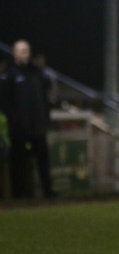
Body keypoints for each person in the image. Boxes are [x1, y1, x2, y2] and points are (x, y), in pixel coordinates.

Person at [0, 39, 56, 199]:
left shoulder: (37, 73)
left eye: (27, 51)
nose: (25, 54)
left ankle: (48, 192)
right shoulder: (8, 74)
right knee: (18, 162)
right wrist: (14, 119)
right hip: (18, 128)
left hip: (37, 126)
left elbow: (45, 97)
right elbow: (4, 101)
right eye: (21, 51)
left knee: (43, 161)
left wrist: (44, 118)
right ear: (14, 53)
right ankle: (18, 194)